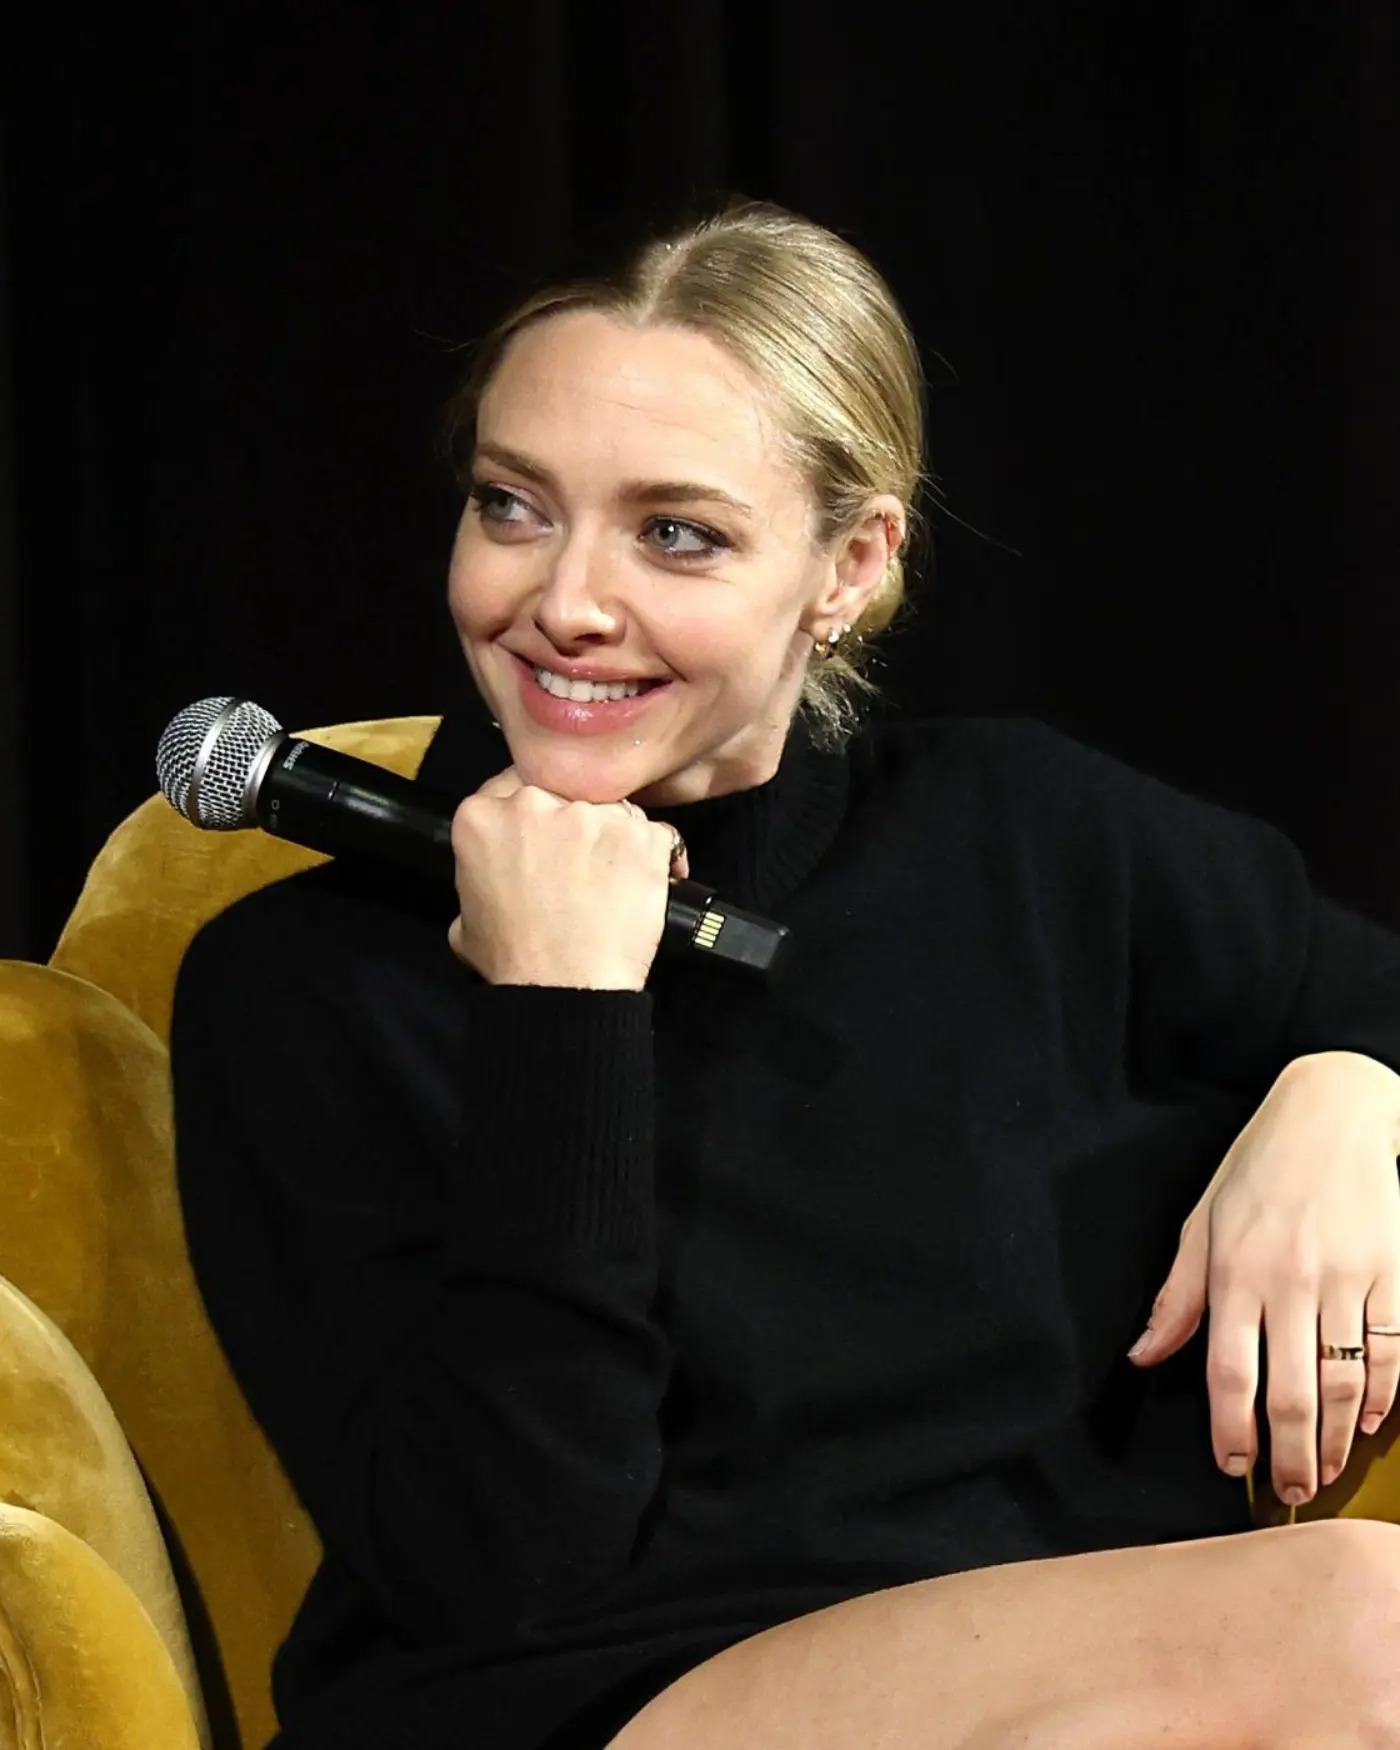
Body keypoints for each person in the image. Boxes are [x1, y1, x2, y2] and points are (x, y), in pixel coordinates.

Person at [169, 199, 1400, 1750]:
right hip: (584, 1709)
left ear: (851, 567)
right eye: (512, 506)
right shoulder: (301, 986)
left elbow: (1363, 993)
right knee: (1368, 1627)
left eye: (675, 533)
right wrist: (563, 1015)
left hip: (1099, 1702)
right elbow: (502, 1566)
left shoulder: (1033, 836)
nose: (567, 602)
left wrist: (1348, 1096)